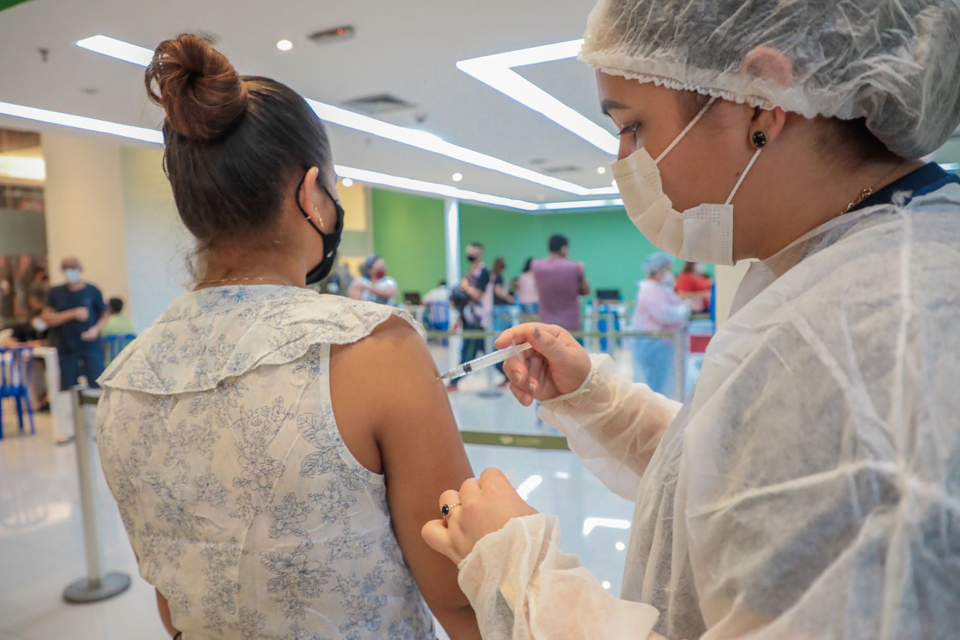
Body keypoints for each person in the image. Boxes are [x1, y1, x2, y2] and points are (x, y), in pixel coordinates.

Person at [421, 2, 960, 639]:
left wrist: (523, 573)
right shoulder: (843, 263)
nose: (623, 160)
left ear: (760, 102)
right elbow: (759, 480)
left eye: (633, 127)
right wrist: (598, 400)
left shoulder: (857, 328)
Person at [95, 35, 479, 640]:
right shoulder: (374, 348)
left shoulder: (125, 380)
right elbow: (462, 598)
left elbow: (174, 607)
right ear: (309, 196)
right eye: (331, 187)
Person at [40, 257, 108, 392]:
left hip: (90, 345)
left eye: (72, 268)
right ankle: (71, 412)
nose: (69, 272)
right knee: (68, 385)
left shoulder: (92, 290)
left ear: (80, 269)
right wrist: (72, 314)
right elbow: (46, 317)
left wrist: (96, 329)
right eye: (66, 269)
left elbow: (104, 314)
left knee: (96, 383)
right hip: (66, 345)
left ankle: (95, 411)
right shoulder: (56, 292)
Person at [629, 253, 690, 398]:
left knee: (662, 387)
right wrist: (685, 309)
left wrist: (683, 308)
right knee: (655, 389)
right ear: (657, 271)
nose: (670, 274)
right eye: (667, 269)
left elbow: (674, 307)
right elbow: (664, 315)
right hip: (653, 344)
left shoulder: (659, 288)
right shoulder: (649, 290)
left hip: (662, 344)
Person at [446, 242, 495, 391]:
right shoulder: (469, 273)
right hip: (469, 318)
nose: (470, 255)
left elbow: (476, 294)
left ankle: (454, 382)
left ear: (479, 253)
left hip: (480, 319)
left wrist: (466, 289)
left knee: (469, 353)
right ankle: (506, 376)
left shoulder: (484, 272)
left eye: (472, 252)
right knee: (486, 351)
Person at [531, 235, 590, 332]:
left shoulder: (536, 265)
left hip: (546, 324)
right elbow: (585, 291)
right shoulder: (575, 267)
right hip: (570, 324)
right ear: (564, 249)